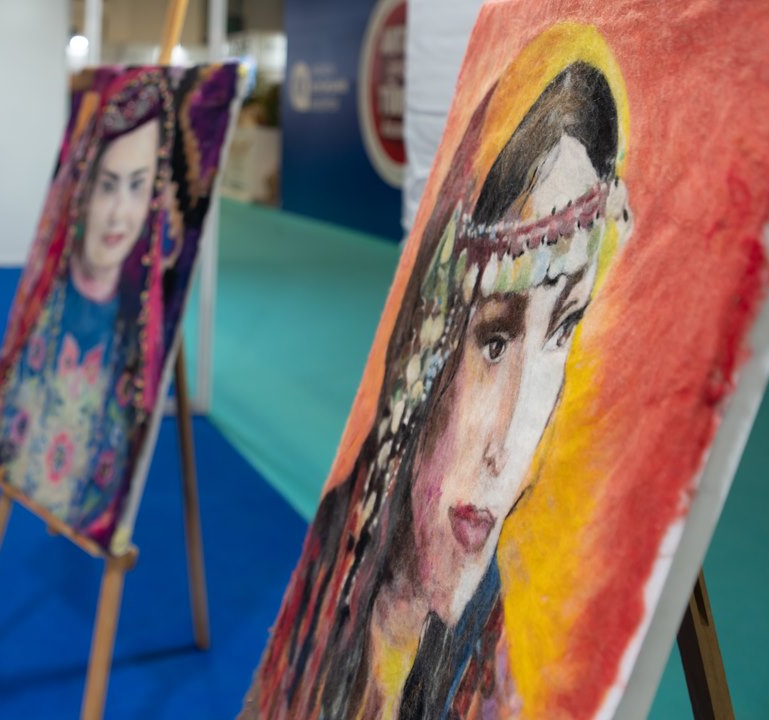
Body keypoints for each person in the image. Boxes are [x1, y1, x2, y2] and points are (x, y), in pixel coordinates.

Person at [243, 25, 634, 719]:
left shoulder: (504, 677)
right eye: (494, 340)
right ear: (431, 330)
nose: (508, 445)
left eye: (561, 332)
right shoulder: (337, 563)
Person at [0, 70, 174, 549]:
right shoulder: (43, 313)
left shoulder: (137, 332)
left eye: (138, 186)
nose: (120, 214)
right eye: (107, 186)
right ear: (81, 190)